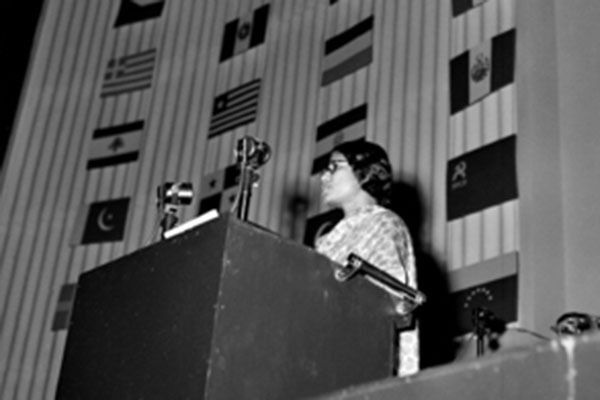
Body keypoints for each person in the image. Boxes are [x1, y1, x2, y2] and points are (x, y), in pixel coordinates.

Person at [315, 139, 419, 377]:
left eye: (334, 167)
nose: (323, 178)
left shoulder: (384, 223)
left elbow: (386, 305)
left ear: (365, 172)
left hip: (355, 365)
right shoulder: (328, 238)